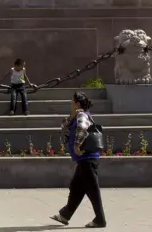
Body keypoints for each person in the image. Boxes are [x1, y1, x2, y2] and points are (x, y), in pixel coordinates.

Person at [51, 91, 107, 228]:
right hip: (84, 159)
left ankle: (100, 219)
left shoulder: (82, 115)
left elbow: (82, 128)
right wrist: (72, 116)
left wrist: (76, 145)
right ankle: (65, 215)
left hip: (87, 158)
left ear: (76, 103)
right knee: (76, 187)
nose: (70, 103)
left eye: (72, 101)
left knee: (93, 190)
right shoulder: (79, 114)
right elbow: (63, 127)